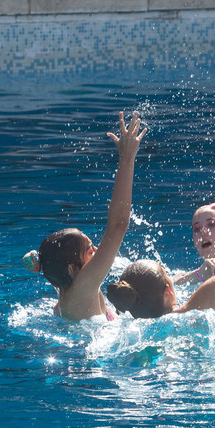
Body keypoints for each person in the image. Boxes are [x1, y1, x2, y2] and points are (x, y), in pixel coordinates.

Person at [25, 112, 146, 322]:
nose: (98, 251)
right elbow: (118, 225)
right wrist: (127, 158)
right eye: (90, 251)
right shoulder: (84, 285)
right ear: (72, 268)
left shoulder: (64, 288)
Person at [106, 184, 215, 319]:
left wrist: (199, 276)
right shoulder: (203, 298)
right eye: (197, 228)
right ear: (168, 292)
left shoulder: (131, 319)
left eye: (211, 224)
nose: (203, 232)